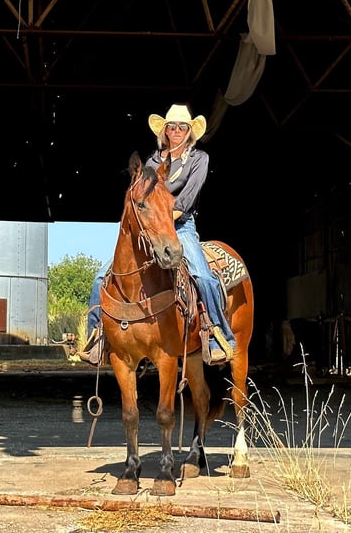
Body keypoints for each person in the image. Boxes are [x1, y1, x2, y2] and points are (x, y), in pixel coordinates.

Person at [76, 103, 236, 365]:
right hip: (151, 228)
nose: (176, 131)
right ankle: (97, 337)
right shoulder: (153, 161)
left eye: (181, 127)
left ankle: (217, 336)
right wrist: (150, 223)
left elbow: (186, 199)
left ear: (189, 132)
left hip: (180, 225)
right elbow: (143, 196)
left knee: (203, 277)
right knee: (100, 278)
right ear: (164, 131)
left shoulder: (199, 160)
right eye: (171, 126)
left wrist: (163, 221)